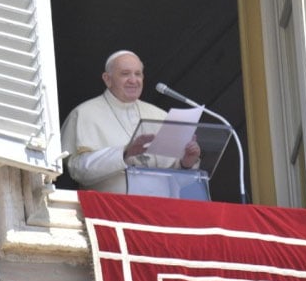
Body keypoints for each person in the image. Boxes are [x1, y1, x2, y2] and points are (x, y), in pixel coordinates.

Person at [60, 50, 201, 193]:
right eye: (125, 74)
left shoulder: (161, 116)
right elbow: (77, 171)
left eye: (138, 74)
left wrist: (186, 163)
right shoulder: (84, 114)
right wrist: (124, 153)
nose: (133, 80)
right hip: (110, 210)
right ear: (107, 79)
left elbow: (178, 180)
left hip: (161, 209)